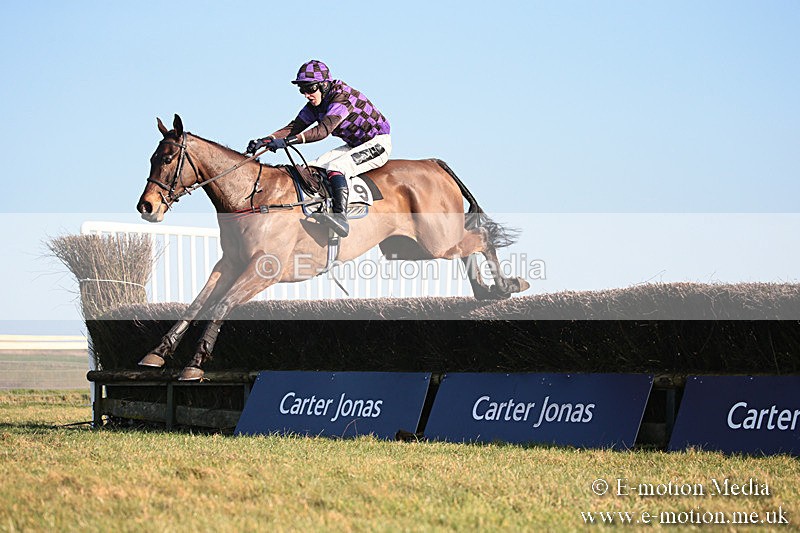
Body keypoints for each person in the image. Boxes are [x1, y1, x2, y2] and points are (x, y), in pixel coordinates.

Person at [246, 60, 391, 237]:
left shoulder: (342, 97)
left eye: (309, 89)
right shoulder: (317, 103)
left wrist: (288, 142)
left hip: (377, 143)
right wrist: (266, 139)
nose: (306, 94)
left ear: (323, 85)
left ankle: (340, 217)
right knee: (313, 168)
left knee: (337, 168)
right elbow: (294, 127)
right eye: (302, 90)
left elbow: (323, 131)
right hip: (354, 145)